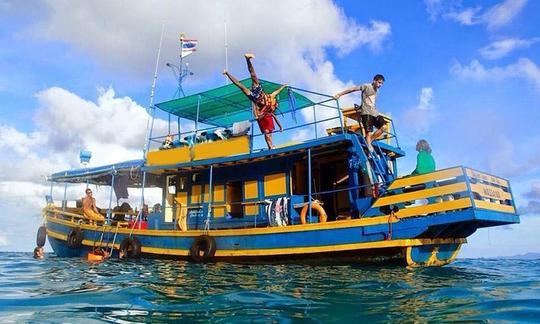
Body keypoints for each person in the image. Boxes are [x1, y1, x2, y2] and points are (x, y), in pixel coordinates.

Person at [223, 53, 286, 149]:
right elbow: (277, 91)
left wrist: (284, 86)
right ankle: (247, 59)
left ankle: (270, 146)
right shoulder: (269, 97)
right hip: (258, 94)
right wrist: (283, 86)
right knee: (251, 76)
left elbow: (262, 113)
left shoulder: (266, 108)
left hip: (255, 96)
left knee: (243, 84)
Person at [334, 74, 387, 149]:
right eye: (379, 82)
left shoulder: (377, 92)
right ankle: (369, 148)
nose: (380, 85)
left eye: (381, 83)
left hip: (374, 113)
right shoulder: (366, 86)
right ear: (374, 80)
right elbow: (352, 89)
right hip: (366, 112)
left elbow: (373, 102)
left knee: (384, 127)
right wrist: (339, 94)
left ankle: (370, 140)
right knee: (369, 132)